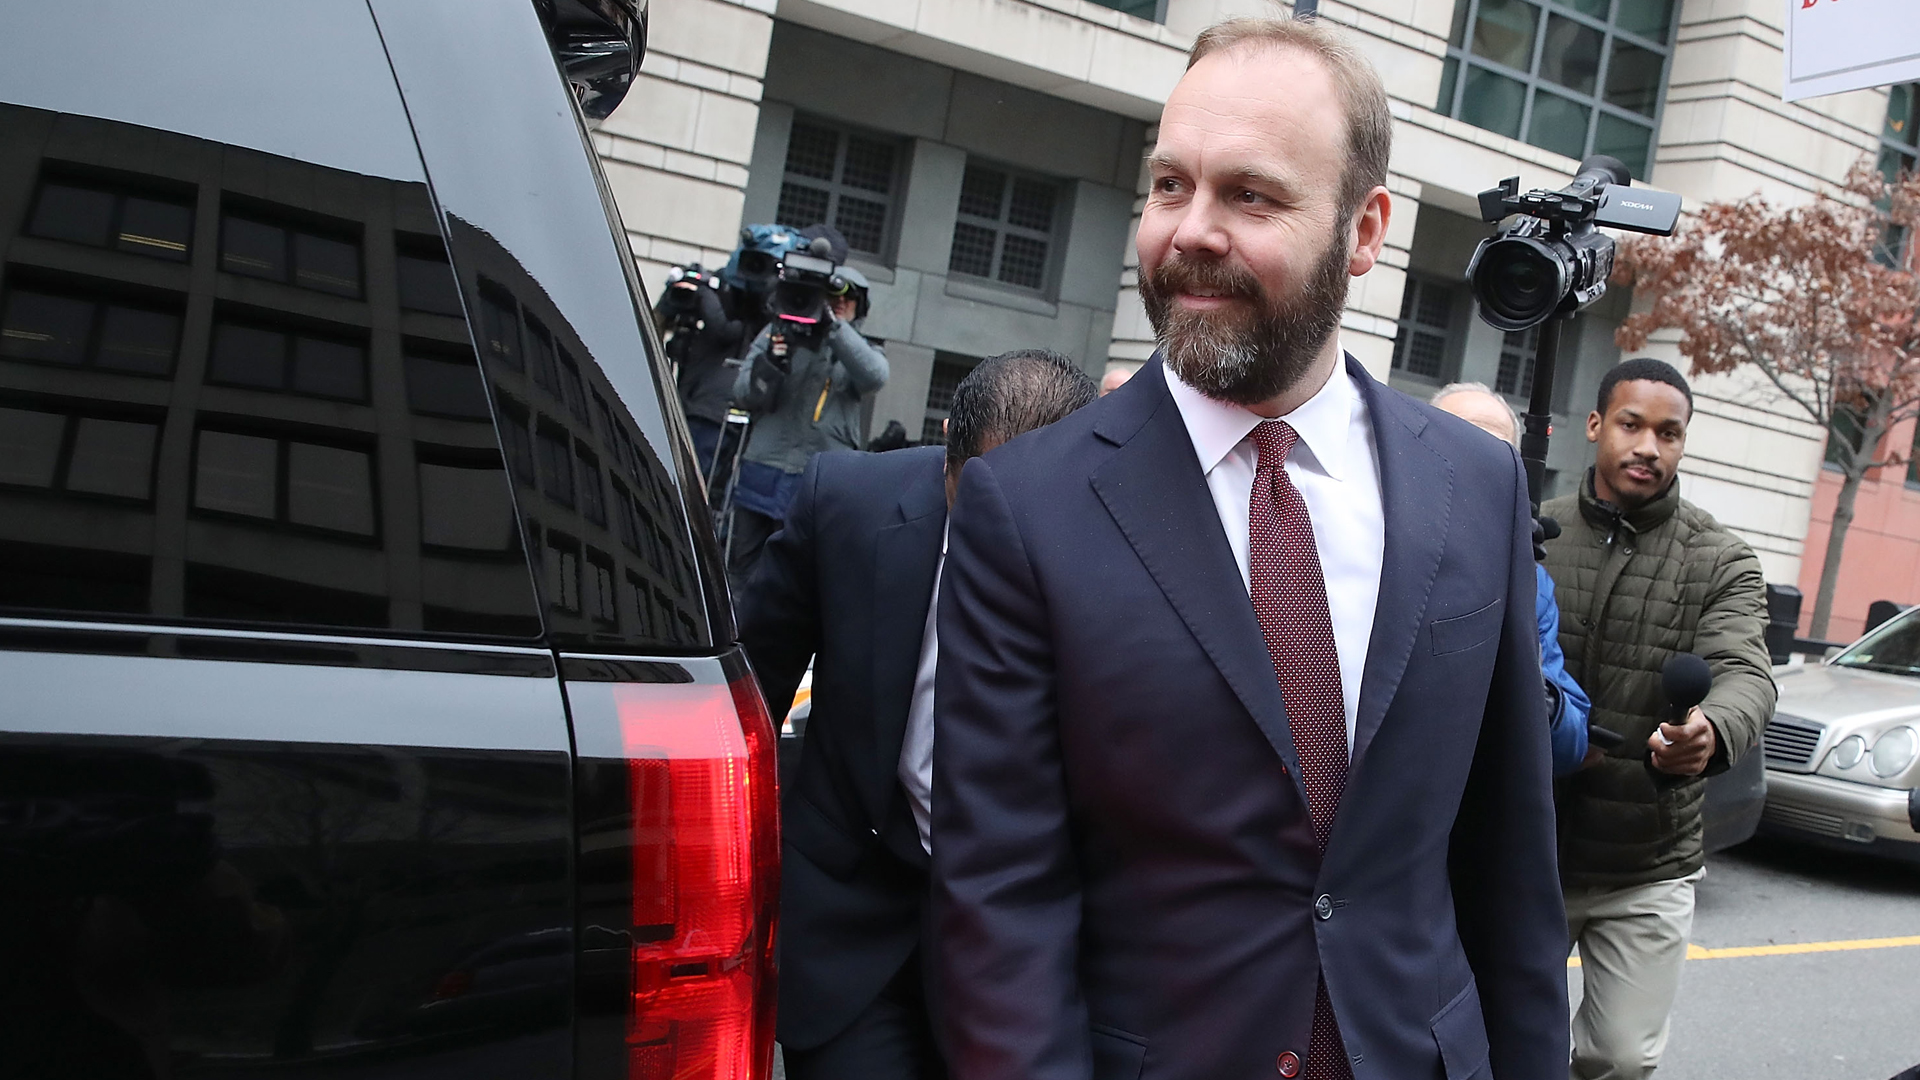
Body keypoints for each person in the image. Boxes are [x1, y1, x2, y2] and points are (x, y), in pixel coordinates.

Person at [932, 17, 1567, 1080]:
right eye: (1171, 185)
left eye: (1251, 195)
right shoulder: (1027, 507)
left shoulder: (1477, 485)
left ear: (1365, 232)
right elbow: (999, 908)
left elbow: (1512, 869)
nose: (1191, 230)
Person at [739, 349, 1098, 1080]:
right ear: (946, 457)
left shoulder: (1119, 560)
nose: (1008, 541)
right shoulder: (844, 504)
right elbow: (746, 699)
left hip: (1013, 960)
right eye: (987, 508)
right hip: (848, 923)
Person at [1542, 358, 1775, 1080]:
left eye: (1668, 433)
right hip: (1527, 851)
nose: (1649, 446)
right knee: (1493, 1039)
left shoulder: (1721, 559)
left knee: (1618, 1058)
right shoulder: (1533, 532)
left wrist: (1711, 731)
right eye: (1632, 425)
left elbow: (1745, 670)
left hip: (1647, 861)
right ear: (1595, 425)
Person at [1431, 381, 1593, 777]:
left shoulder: (1529, 586)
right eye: (1456, 447)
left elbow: (1567, 744)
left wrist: (1508, 607)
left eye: (1492, 459)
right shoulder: (1364, 543)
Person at [727, 262, 888, 586]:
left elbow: (875, 377)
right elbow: (741, 393)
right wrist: (769, 365)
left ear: (861, 307)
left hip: (816, 478)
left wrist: (834, 328)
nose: (840, 301)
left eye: (850, 297)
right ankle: (733, 630)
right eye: (831, 294)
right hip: (763, 466)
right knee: (742, 567)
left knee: (796, 573)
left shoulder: (858, 348)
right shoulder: (777, 332)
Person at [658, 224, 799, 476]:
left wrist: (704, 295)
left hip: (721, 414)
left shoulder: (781, 309)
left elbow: (727, 330)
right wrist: (679, 295)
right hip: (691, 405)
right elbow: (657, 323)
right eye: (752, 262)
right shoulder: (718, 288)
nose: (756, 272)